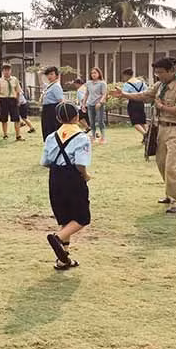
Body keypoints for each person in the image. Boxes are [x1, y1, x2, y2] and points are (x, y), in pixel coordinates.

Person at [112, 57, 176, 214]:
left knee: (172, 166)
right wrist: (124, 95)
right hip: (160, 129)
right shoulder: (159, 86)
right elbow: (144, 95)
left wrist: (162, 107)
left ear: (170, 71)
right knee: (161, 163)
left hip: (175, 129)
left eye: (160, 72)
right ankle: (169, 194)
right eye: (156, 72)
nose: (158, 75)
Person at [41, 102, 91, 270]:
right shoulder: (82, 137)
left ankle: (63, 259)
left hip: (54, 176)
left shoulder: (51, 137)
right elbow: (80, 164)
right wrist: (85, 176)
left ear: (57, 118)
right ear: (77, 117)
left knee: (65, 218)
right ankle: (57, 237)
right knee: (82, 218)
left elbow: (45, 162)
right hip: (73, 177)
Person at [0, 63, 23, 141]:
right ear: (2, 71)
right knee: (4, 119)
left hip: (13, 100)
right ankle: (5, 134)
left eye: (8, 70)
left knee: (16, 118)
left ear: (10, 71)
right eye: (5, 70)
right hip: (3, 100)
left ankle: (18, 135)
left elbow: (18, 91)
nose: (6, 72)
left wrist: (18, 101)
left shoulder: (15, 79)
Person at [83, 67, 108, 144]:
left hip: (99, 105)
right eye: (92, 73)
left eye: (95, 73)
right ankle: (93, 137)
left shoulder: (102, 83)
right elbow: (86, 94)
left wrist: (100, 103)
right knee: (91, 122)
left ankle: (103, 138)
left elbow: (104, 94)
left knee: (100, 121)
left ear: (99, 74)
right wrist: (83, 104)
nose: (93, 74)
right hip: (90, 104)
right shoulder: (88, 83)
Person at [121, 68, 148, 139]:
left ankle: (145, 134)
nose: (123, 78)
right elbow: (147, 92)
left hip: (132, 103)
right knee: (142, 121)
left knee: (135, 122)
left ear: (126, 75)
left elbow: (124, 95)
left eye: (123, 76)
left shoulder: (127, 84)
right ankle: (148, 135)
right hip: (141, 102)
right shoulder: (142, 83)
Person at [40, 66, 64, 141]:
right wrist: (40, 75)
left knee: (51, 130)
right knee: (46, 128)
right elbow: (42, 85)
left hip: (52, 110)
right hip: (46, 109)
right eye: (48, 74)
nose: (49, 76)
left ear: (56, 75)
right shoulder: (50, 85)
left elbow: (61, 101)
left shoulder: (56, 86)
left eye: (51, 74)